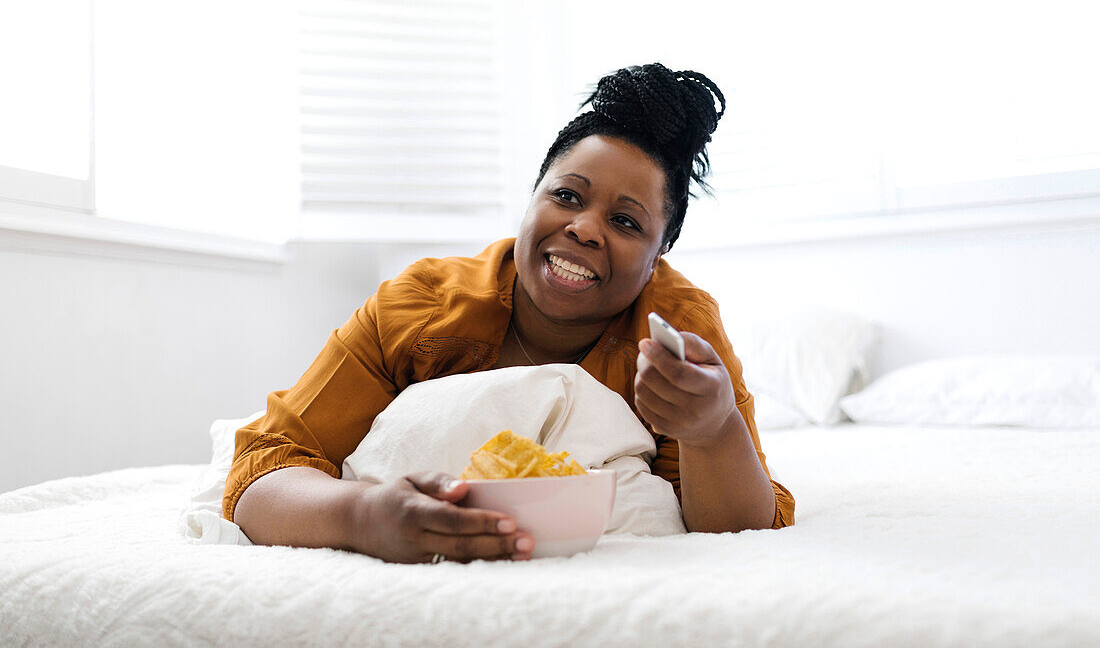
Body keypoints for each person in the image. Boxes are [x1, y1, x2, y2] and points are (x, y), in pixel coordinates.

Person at [225, 63, 795, 564]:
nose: (584, 228)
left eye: (626, 222)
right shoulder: (418, 308)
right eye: (567, 196)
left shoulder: (680, 329)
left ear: (659, 254)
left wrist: (714, 429)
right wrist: (361, 517)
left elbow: (739, 534)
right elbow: (267, 467)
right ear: (532, 196)